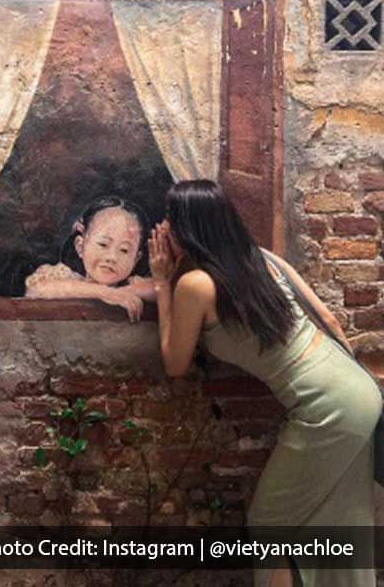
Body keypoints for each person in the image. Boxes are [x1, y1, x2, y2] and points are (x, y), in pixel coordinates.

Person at [148, 179, 380, 587]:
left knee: (270, 524)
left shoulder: (195, 284)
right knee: (341, 519)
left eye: (170, 217)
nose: (164, 226)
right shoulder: (262, 259)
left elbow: (175, 364)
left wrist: (161, 282)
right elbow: (328, 321)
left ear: (188, 226)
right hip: (357, 387)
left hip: (327, 406)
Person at [25, 196, 155, 321]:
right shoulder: (65, 276)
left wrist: (124, 292)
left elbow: (161, 289)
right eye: (103, 244)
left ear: (136, 259)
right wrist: (105, 293)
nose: (112, 257)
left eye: (124, 250)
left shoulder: (131, 284)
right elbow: (37, 289)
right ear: (80, 246)